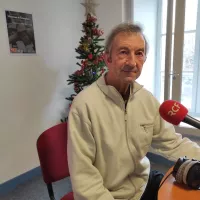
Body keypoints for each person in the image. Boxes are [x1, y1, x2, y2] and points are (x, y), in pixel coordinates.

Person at [67, 22, 200, 200]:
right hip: (109, 194)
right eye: (123, 52)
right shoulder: (84, 105)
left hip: (143, 184)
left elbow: (172, 143)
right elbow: (84, 179)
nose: (132, 62)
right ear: (108, 58)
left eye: (139, 53)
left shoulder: (146, 99)